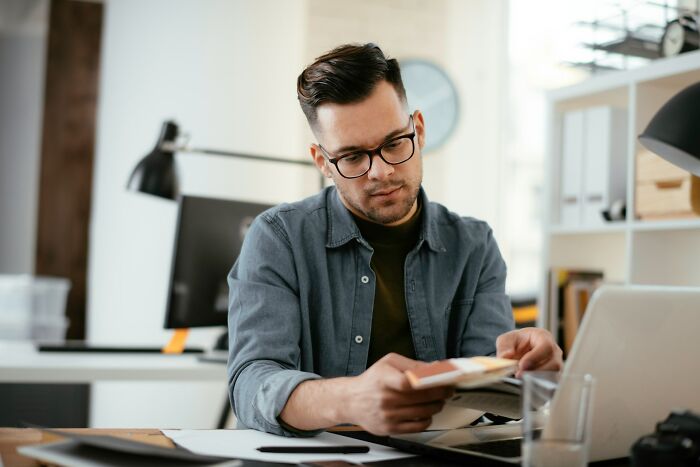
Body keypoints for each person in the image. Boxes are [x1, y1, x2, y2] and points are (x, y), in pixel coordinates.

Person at [227, 43, 562, 437]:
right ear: (322, 163)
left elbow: (491, 392)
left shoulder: (474, 245)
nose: (381, 172)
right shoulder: (277, 237)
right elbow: (252, 382)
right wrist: (350, 399)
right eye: (352, 157)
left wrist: (525, 375)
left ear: (418, 129)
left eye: (393, 144)